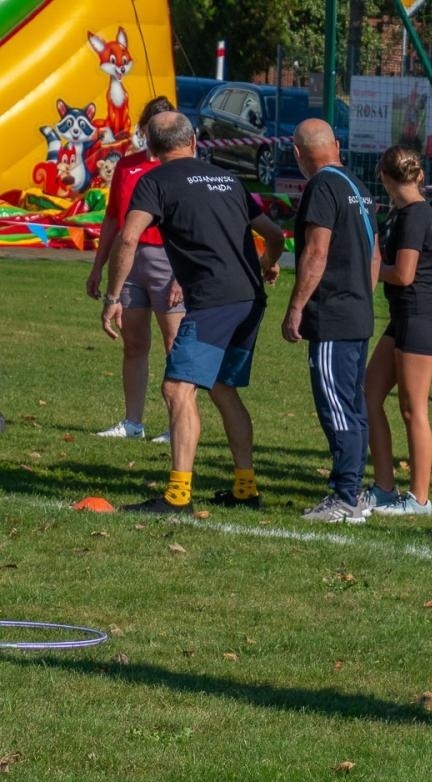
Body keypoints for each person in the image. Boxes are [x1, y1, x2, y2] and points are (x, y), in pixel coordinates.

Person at [100, 112, 283, 514]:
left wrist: (114, 296)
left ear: (150, 147)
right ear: (194, 140)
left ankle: (178, 497)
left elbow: (129, 237)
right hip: (249, 297)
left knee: (176, 389)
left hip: (214, 301)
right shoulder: (228, 178)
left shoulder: (155, 180)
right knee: (221, 387)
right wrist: (269, 262)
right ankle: (245, 488)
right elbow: (274, 234)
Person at [283, 118, 381, 524]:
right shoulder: (357, 186)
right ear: (336, 145)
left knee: (337, 407)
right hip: (357, 310)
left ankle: (345, 495)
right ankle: (353, 491)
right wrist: (362, 296)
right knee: (353, 407)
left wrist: (296, 306)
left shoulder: (322, 187)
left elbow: (317, 251)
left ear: (297, 154)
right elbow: (376, 255)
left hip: (335, 315)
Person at [87, 96, 184, 443]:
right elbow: (113, 218)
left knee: (176, 344)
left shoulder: (181, 169)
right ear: (144, 129)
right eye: (151, 125)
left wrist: (182, 273)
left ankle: (178, 426)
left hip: (168, 259)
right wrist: (99, 266)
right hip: (129, 260)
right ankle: (133, 421)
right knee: (134, 342)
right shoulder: (127, 166)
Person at [364, 146, 432, 518]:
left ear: (384, 177)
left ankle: (419, 498)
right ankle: (384, 487)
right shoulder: (400, 212)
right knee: (369, 394)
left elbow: (405, 274)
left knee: (414, 410)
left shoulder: (416, 215)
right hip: (403, 317)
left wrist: (367, 269)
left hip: (419, 316)